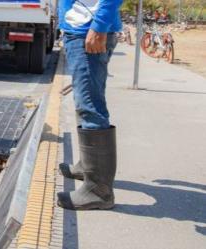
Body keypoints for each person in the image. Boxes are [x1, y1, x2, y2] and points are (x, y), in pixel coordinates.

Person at [57, 0, 123, 210]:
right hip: (81, 27)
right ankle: (87, 166)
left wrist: (99, 24)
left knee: (90, 106)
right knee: (84, 100)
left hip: (89, 28)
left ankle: (98, 191)